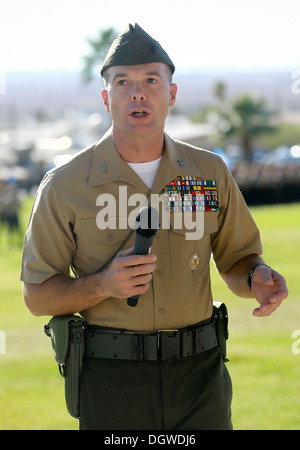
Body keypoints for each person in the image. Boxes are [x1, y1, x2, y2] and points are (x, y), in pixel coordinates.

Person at [21, 23, 288, 430]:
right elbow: (37, 295)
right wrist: (101, 285)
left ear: (172, 93)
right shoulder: (65, 185)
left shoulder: (207, 173)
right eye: (123, 82)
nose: (138, 92)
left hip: (200, 376)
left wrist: (256, 277)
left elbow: (237, 259)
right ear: (106, 97)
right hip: (113, 380)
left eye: (151, 80)